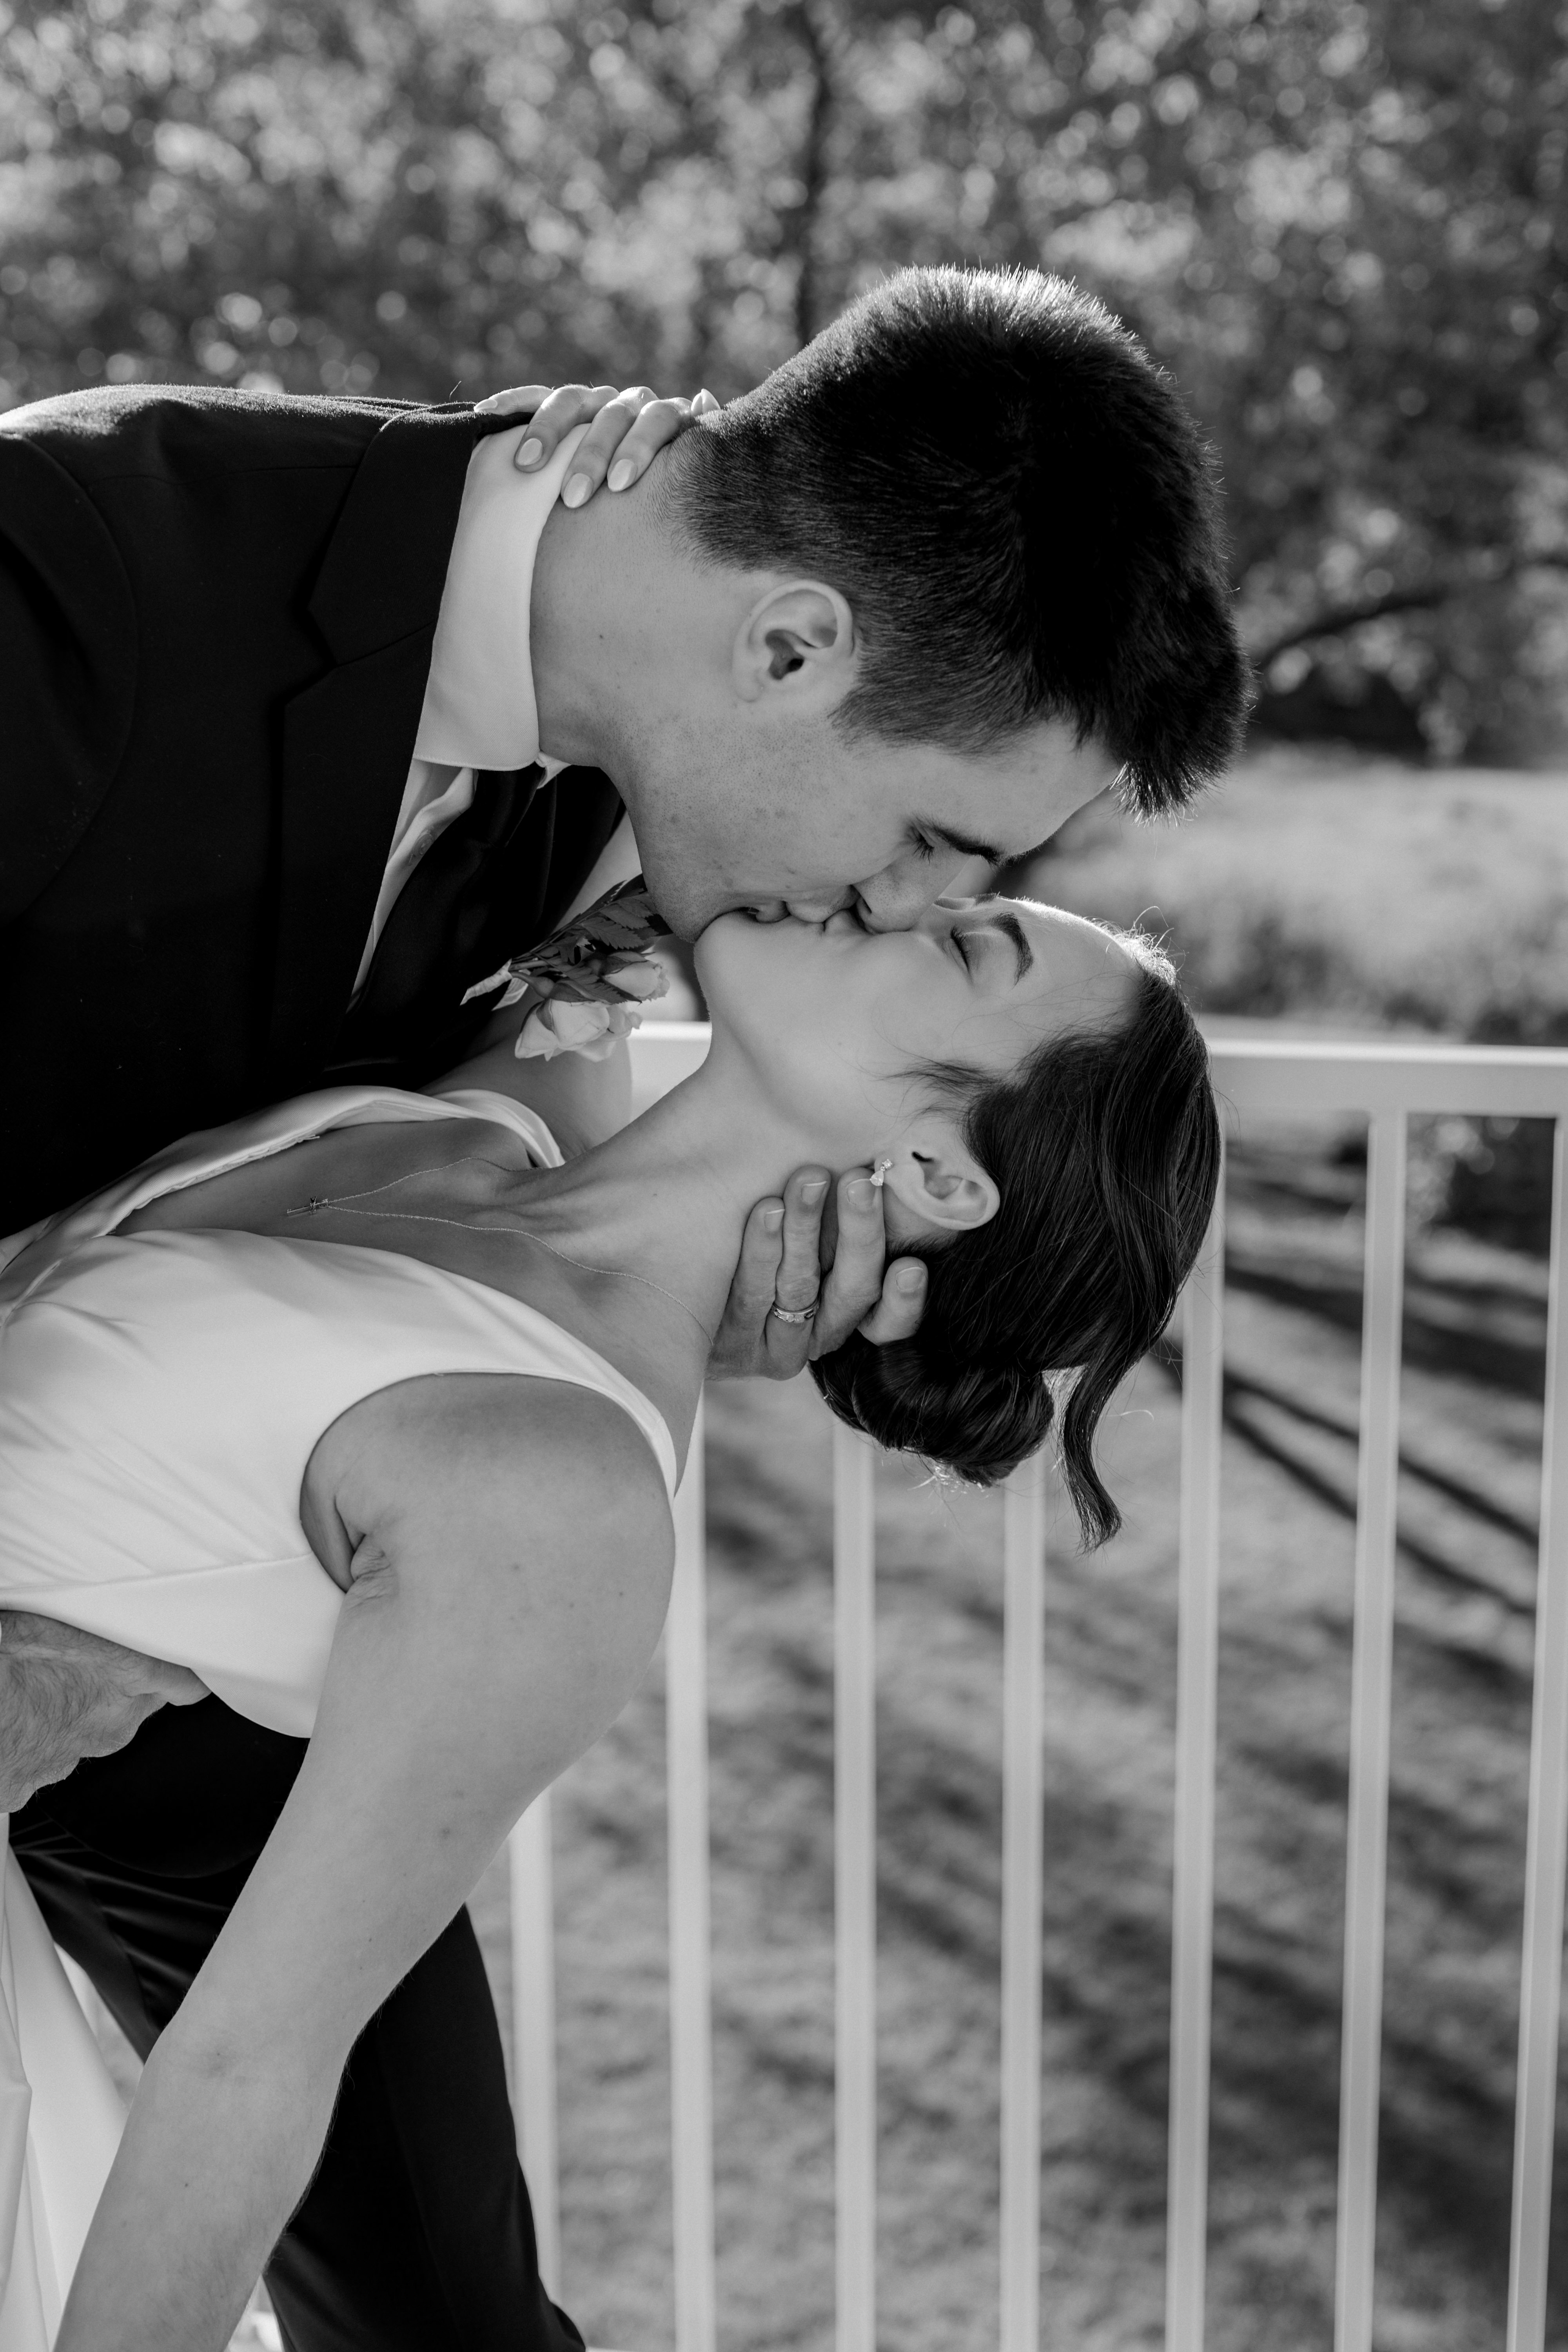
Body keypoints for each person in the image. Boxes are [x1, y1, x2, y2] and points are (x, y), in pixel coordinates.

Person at [0, 887, 1220, 2350]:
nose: (894, 897)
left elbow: (252, 2064)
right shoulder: (501, 1122)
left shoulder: (559, 1497)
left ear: (937, 1176)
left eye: (963, 943)